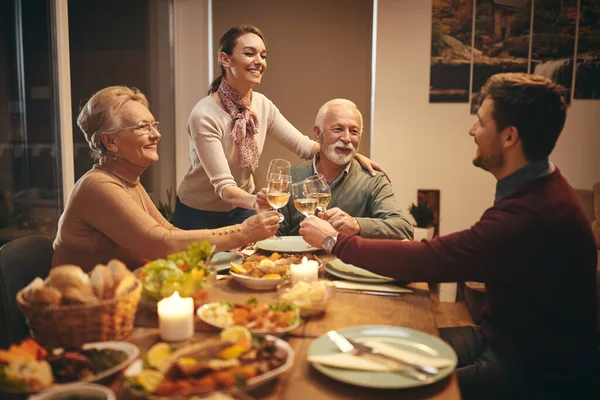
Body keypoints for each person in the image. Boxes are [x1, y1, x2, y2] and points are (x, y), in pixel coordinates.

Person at [299, 73, 599, 399]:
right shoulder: (540, 188)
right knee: (379, 342)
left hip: (534, 370)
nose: (472, 131)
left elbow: (433, 258)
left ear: (510, 136)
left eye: (481, 122)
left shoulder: (532, 213)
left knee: (388, 390)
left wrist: (335, 241)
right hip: (499, 337)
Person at [174, 24, 387, 230]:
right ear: (225, 59)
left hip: (242, 208)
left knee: (248, 265)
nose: (259, 62)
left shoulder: (262, 105)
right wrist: (257, 202)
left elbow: (304, 146)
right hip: (198, 213)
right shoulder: (204, 115)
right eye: (250, 54)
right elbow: (225, 188)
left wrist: (351, 154)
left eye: (263, 55)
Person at [52, 86, 280, 272]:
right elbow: (162, 243)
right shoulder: (98, 186)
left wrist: (223, 248)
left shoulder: (128, 181)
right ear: (110, 142)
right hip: (84, 313)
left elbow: (170, 232)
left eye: (154, 125)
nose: (156, 135)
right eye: (143, 127)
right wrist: (244, 232)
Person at [274, 98, 413, 239]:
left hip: (349, 261)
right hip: (296, 260)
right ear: (317, 134)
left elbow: (403, 229)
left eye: (354, 131)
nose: (347, 138)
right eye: (338, 129)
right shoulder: (291, 177)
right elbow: (274, 236)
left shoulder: (374, 180)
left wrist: (357, 225)